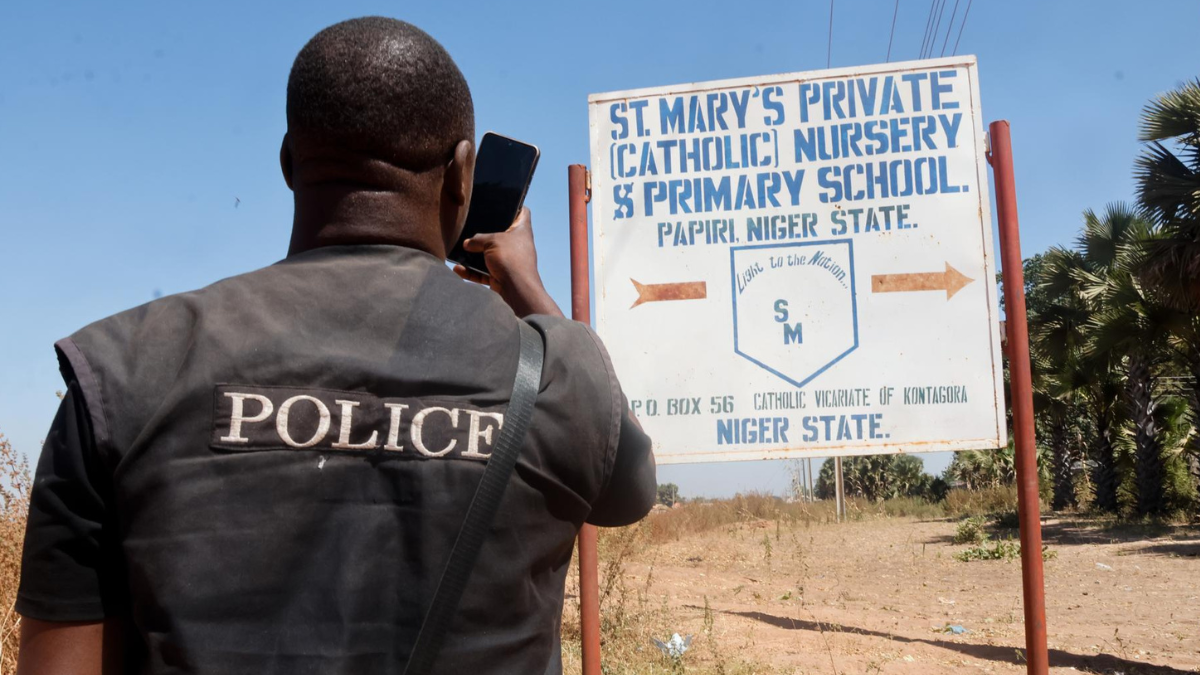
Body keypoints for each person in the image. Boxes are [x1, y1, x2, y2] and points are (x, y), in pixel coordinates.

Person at [16, 17, 656, 675]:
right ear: (462, 176)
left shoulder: (124, 367)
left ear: (291, 163)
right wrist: (525, 287)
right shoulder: (553, 368)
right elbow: (630, 487)